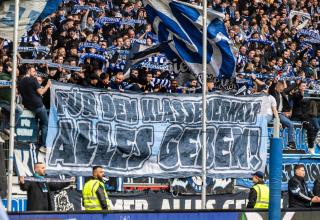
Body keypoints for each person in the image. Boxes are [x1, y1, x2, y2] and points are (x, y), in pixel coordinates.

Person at [19, 66, 51, 153]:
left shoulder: (21, 80)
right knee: (45, 124)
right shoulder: (33, 80)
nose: (35, 73)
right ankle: (43, 145)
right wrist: (47, 85)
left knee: (37, 123)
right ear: (28, 71)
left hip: (28, 106)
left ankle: (36, 141)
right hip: (38, 105)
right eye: (33, 71)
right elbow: (41, 92)